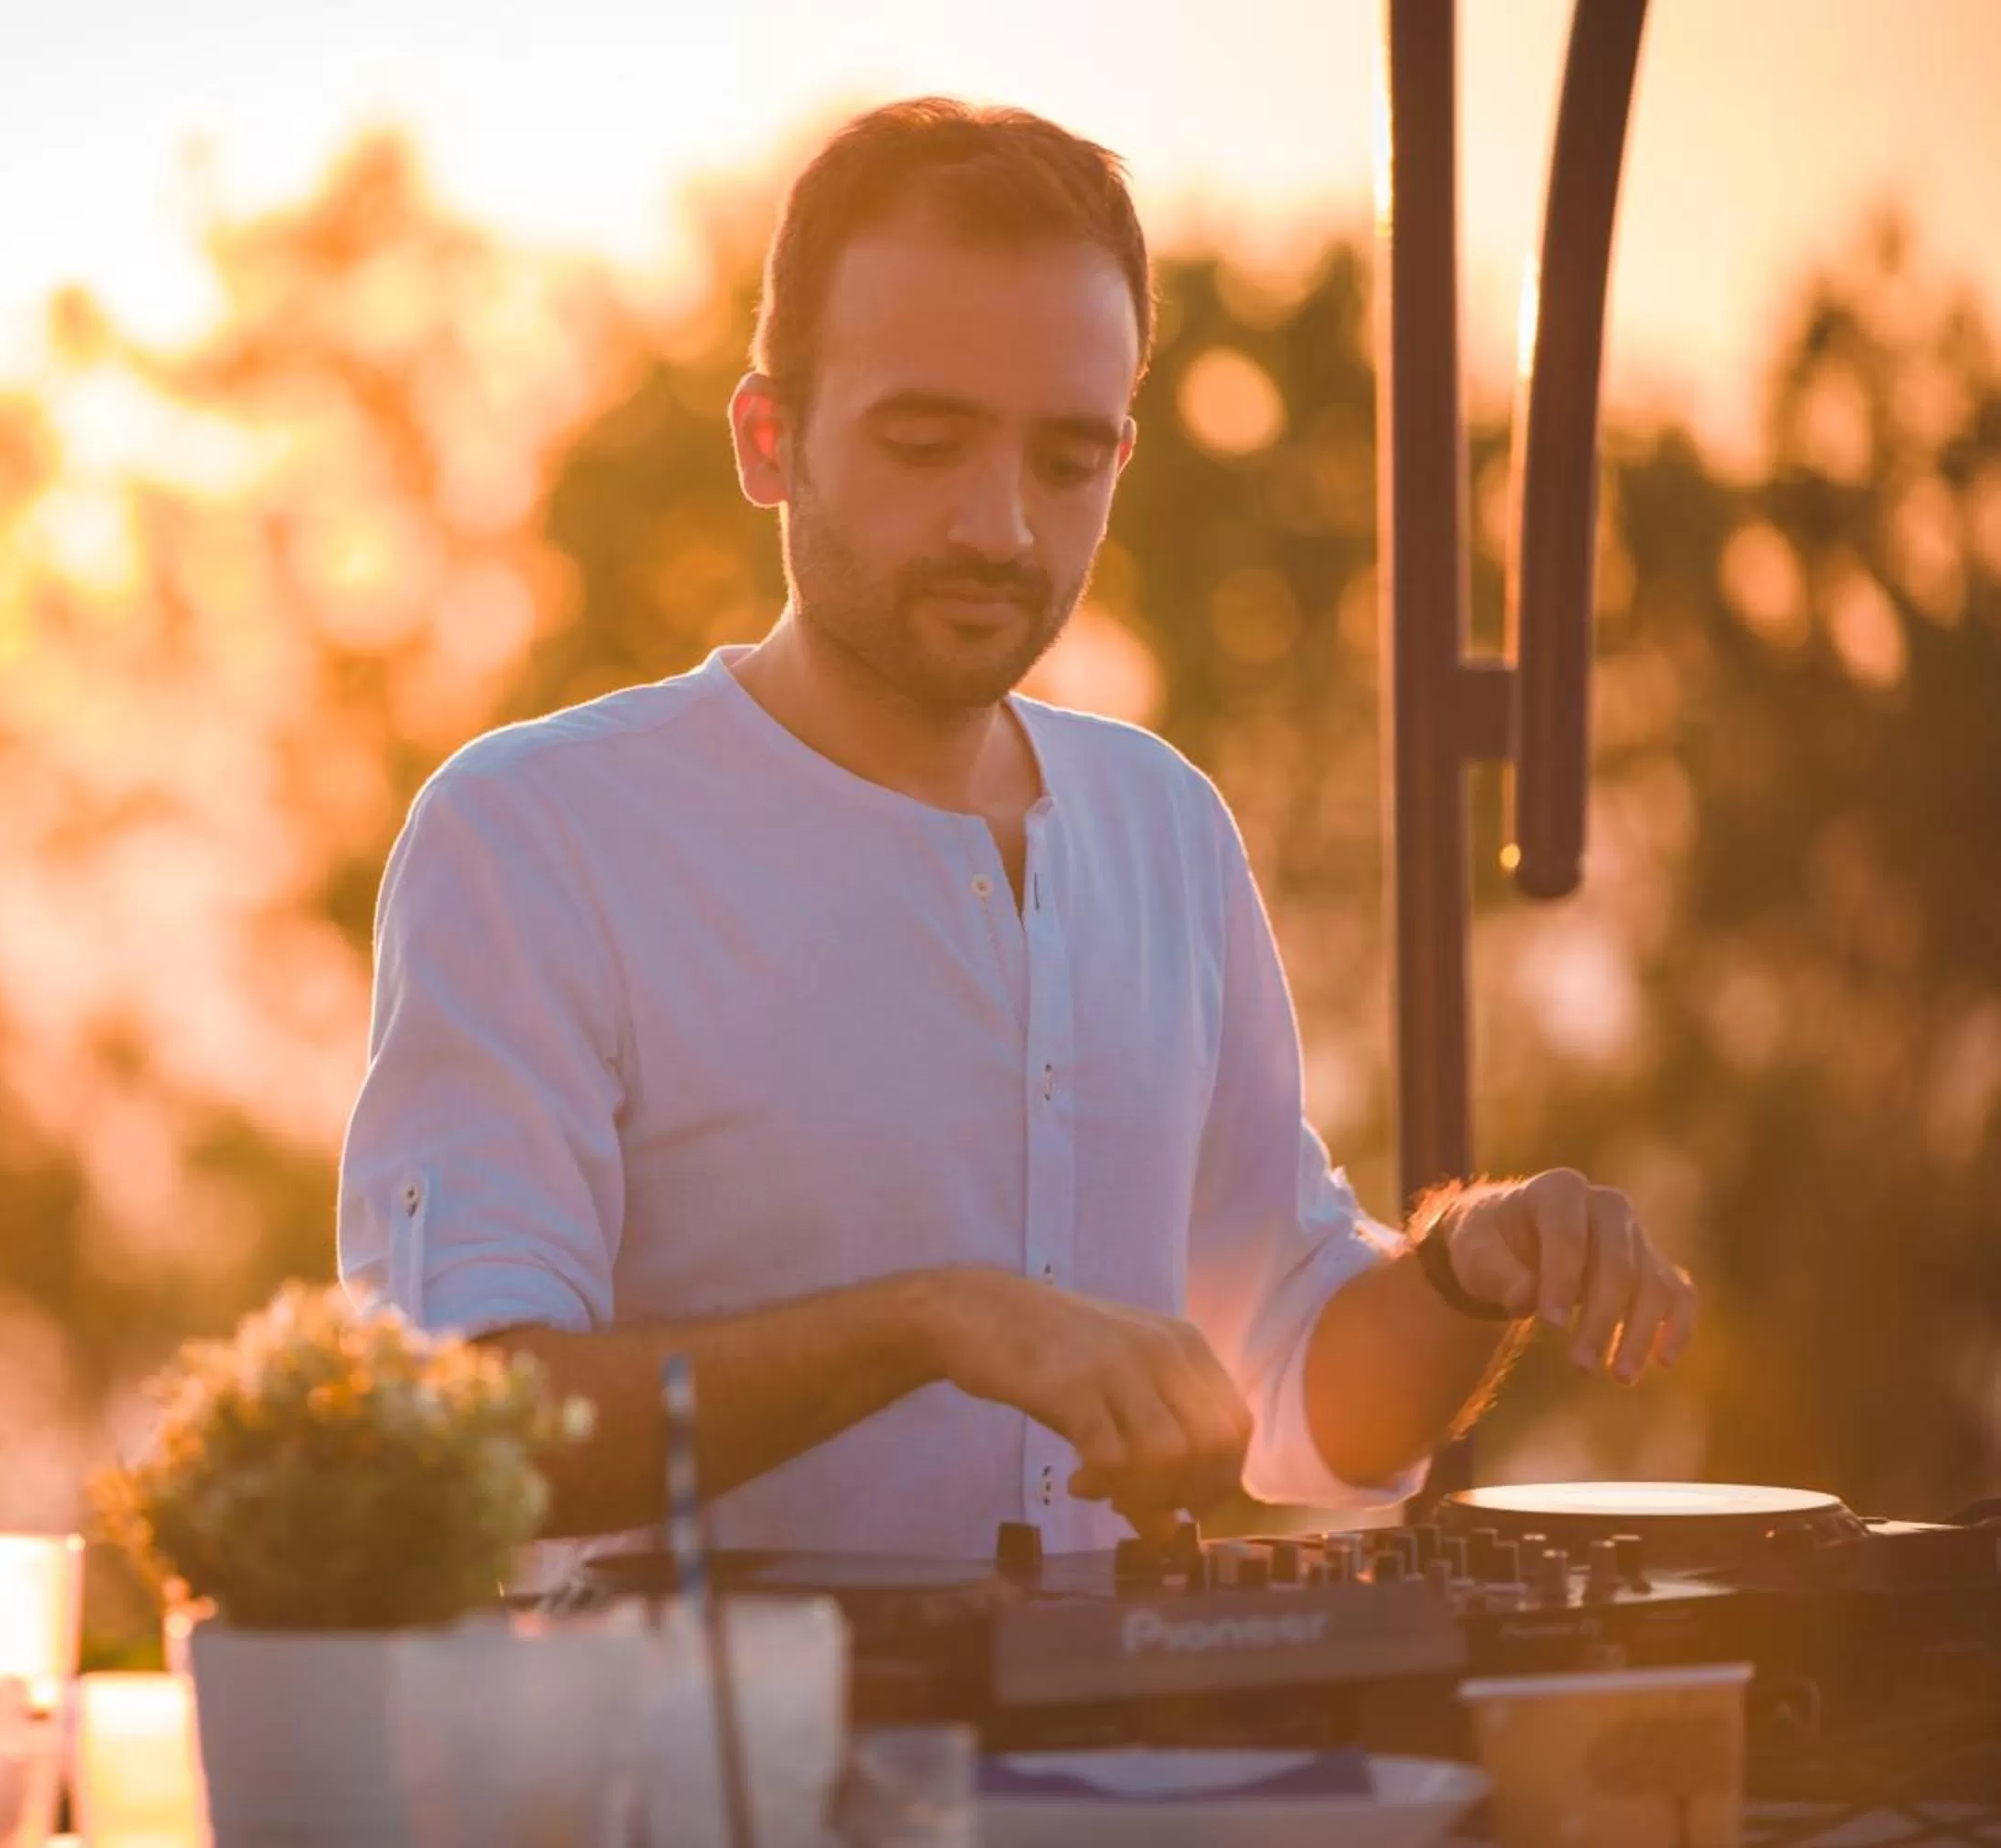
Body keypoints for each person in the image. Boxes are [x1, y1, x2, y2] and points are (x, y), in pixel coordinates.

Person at [337, 99, 1699, 1559]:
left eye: (1067, 460)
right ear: (768, 440)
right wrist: (933, 1321)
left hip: (1126, 1715)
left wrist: (1467, 1269)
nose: (1000, 526)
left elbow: (1310, 1392)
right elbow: (454, 1433)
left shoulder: (1164, 829)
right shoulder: (537, 837)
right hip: (689, 1720)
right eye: (926, 442)